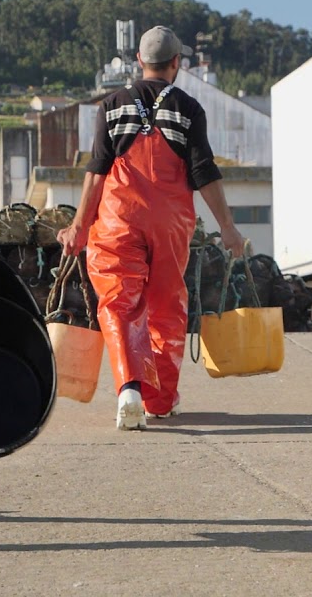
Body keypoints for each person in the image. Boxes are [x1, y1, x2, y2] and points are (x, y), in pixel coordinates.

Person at [58, 26, 244, 430]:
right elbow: (204, 172)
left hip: (118, 219)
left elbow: (96, 171)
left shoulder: (111, 105)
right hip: (170, 223)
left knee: (118, 303)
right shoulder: (188, 108)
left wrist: (78, 227)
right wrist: (228, 228)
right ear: (177, 63)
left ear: (139, 61)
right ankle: (159, 401)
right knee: (165, 306)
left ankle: (128, 389)